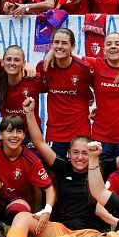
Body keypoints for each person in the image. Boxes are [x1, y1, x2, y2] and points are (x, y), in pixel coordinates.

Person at [0, 114, 56, 236]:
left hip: (16, 202)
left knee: (18, 210)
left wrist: (47, 210)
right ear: (0, 135)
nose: (14, 136)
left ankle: (16, 233)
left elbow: (49, 188)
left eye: (19, 132)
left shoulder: (31, 160)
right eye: (10, 131)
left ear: (24, 136)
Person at [35, 29, 92, 158]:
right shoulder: (43, 67)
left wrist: (98, 108)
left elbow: (101, 87)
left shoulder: (84, 68)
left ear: (72, 46)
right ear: (51, 45)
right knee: (55, 171)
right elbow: (36, 88)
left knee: (81, 170)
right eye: (56, 42)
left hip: (80, 129)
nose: (59, 46)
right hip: (56, 131)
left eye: (64, 43)